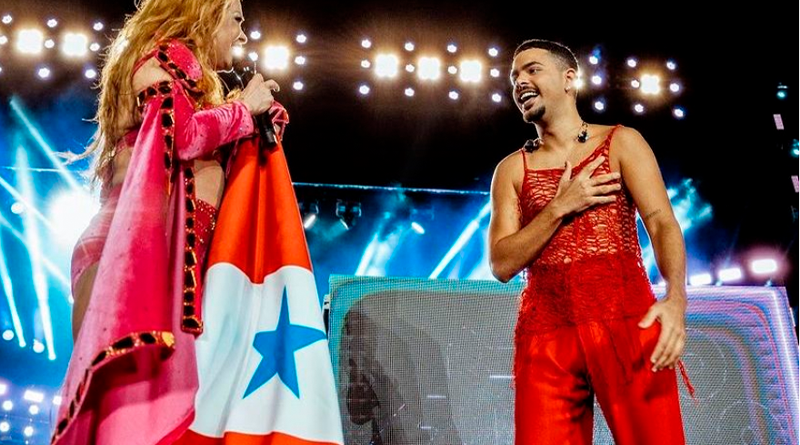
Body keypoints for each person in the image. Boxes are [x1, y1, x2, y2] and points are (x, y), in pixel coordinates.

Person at [54, 0, 277, 443]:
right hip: (128, 256)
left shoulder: (189, 83)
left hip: (155, 261)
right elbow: (182, 136)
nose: (243, 34)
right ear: (205, 13)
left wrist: (253, 121)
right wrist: (242, 110)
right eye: (236, 19)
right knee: (127, 415)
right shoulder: (165, 59)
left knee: (143, 418)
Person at [488, 39, 691, 445]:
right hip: (546, 335)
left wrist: (676, 299)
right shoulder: (511, 170)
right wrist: (559, 206)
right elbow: (501, 264)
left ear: (568, 79)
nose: (520, 82)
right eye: (514, 77)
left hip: (627, 318)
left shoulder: (621, 141)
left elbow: (662, 223)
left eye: (531, 70)